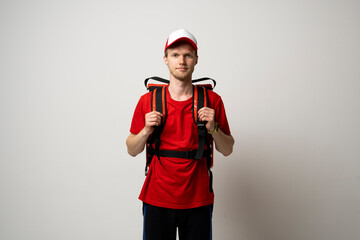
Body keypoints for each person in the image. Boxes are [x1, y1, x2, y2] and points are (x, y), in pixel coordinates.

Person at [126, 29, 234, 240]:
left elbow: (228, 149)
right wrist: (146, 130)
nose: (181, 61)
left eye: (188, 55)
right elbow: (131, 149)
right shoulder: (147, 101)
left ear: (196, 60)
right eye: (175, 55)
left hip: (198, 199)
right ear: (165, 59)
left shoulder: (212, 100)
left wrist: (213, 128)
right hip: (157, 197)